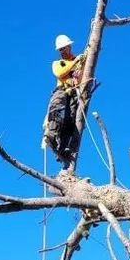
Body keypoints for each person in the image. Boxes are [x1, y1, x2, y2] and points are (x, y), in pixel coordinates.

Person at [42, 34, 87, 169]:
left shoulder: (78, 62)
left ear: (69, 46)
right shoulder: (58, 63)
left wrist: (80, 66)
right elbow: (60, 73)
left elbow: (82, 77)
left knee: (70, 120)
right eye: (60, 49)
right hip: (62, 91)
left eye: (64, 48)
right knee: (57, 112)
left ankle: (64, 147)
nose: (62, 51)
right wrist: (75, 62)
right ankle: (51, 136)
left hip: (73, 94)